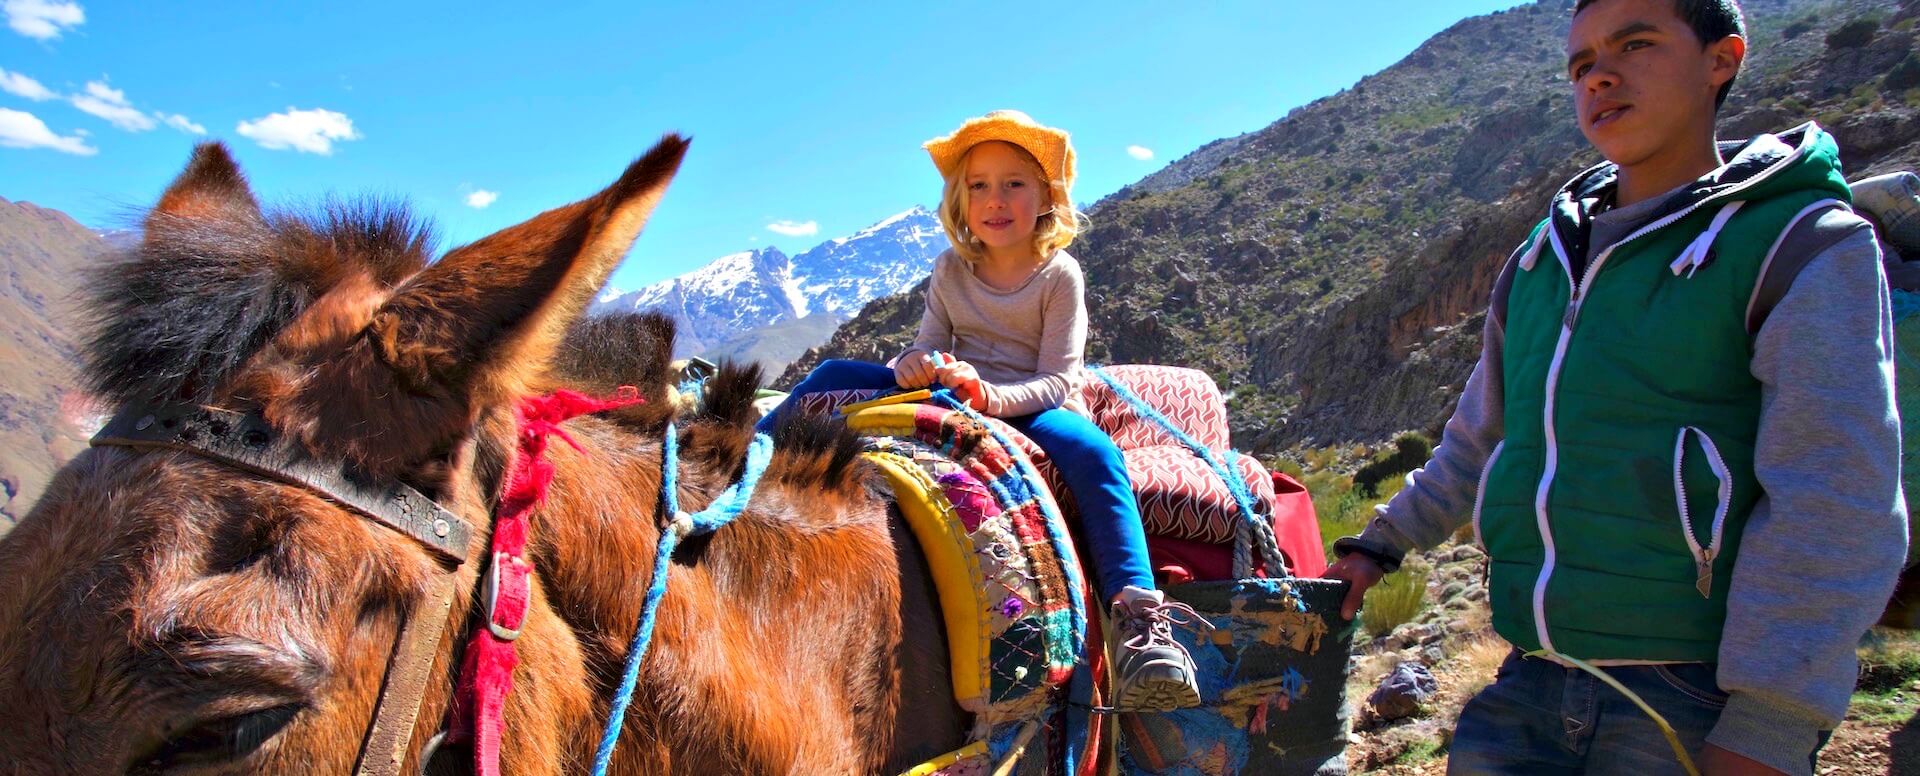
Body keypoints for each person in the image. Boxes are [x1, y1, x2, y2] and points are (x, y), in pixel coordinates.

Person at [1322, 1, 1907, 774]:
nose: (1600, 74)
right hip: (1528, 675)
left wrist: (1769, 726)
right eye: (1580, 63)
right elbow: (1481, 437)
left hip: (1694, 697)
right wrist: (1378, 545)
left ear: (1722, 58)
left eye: (1636, 44)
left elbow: (1835, 491)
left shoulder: (1801, 242)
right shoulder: (1542, 257)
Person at [765, 110, 1206, 710]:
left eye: (1013, 184)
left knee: (1098, 458)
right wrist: (913, 365)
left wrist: (994, 399)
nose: (995, 200)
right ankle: (739, 463)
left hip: (1031, 402)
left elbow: (1058, 377)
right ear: (960, 200)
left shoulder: (1059, 275)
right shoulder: (951, 269)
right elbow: (925, 342)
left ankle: (1138, 621)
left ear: (1046, 198)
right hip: (953, 391)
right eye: (979, 185)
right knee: (832, 376)